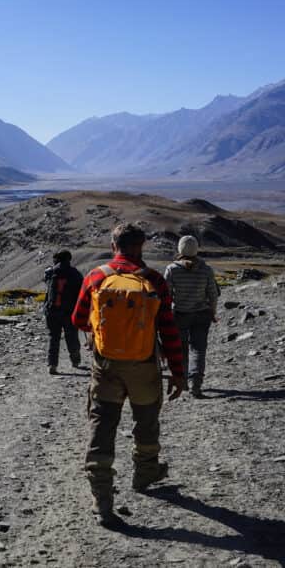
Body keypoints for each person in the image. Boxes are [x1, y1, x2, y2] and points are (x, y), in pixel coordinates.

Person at [72, 222, 187, 527]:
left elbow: (78, 318)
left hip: (106, 367)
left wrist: (104, 331)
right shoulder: (153, 281)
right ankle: (145, 473)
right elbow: (169, 331)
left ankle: (102, 500)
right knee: (146, 420)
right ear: (142, 247)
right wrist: (178, 373)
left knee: (102, 425)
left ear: (114, 246)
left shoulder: (96, 277)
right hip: (145, 367)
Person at [164, 235, 219, 397]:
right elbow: (213, 294)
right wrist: (213, 312)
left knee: (181, 349)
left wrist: (166, 315)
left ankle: (184, 382)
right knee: (199, 349)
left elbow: (166, 295)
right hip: (202, 315)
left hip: (180, 314)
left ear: (179, 249)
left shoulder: (172, 269)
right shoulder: (206, 269)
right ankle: (196, 383)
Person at [43, 250, 84, 374]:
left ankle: (52, 365)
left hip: (52, 310)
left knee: (53, 337)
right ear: (69, 259)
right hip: (69, 312)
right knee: (71, 336)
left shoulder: (50, 272)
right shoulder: (75, 273)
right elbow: (81, 292)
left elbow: (45, 282)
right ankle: (75, 361)